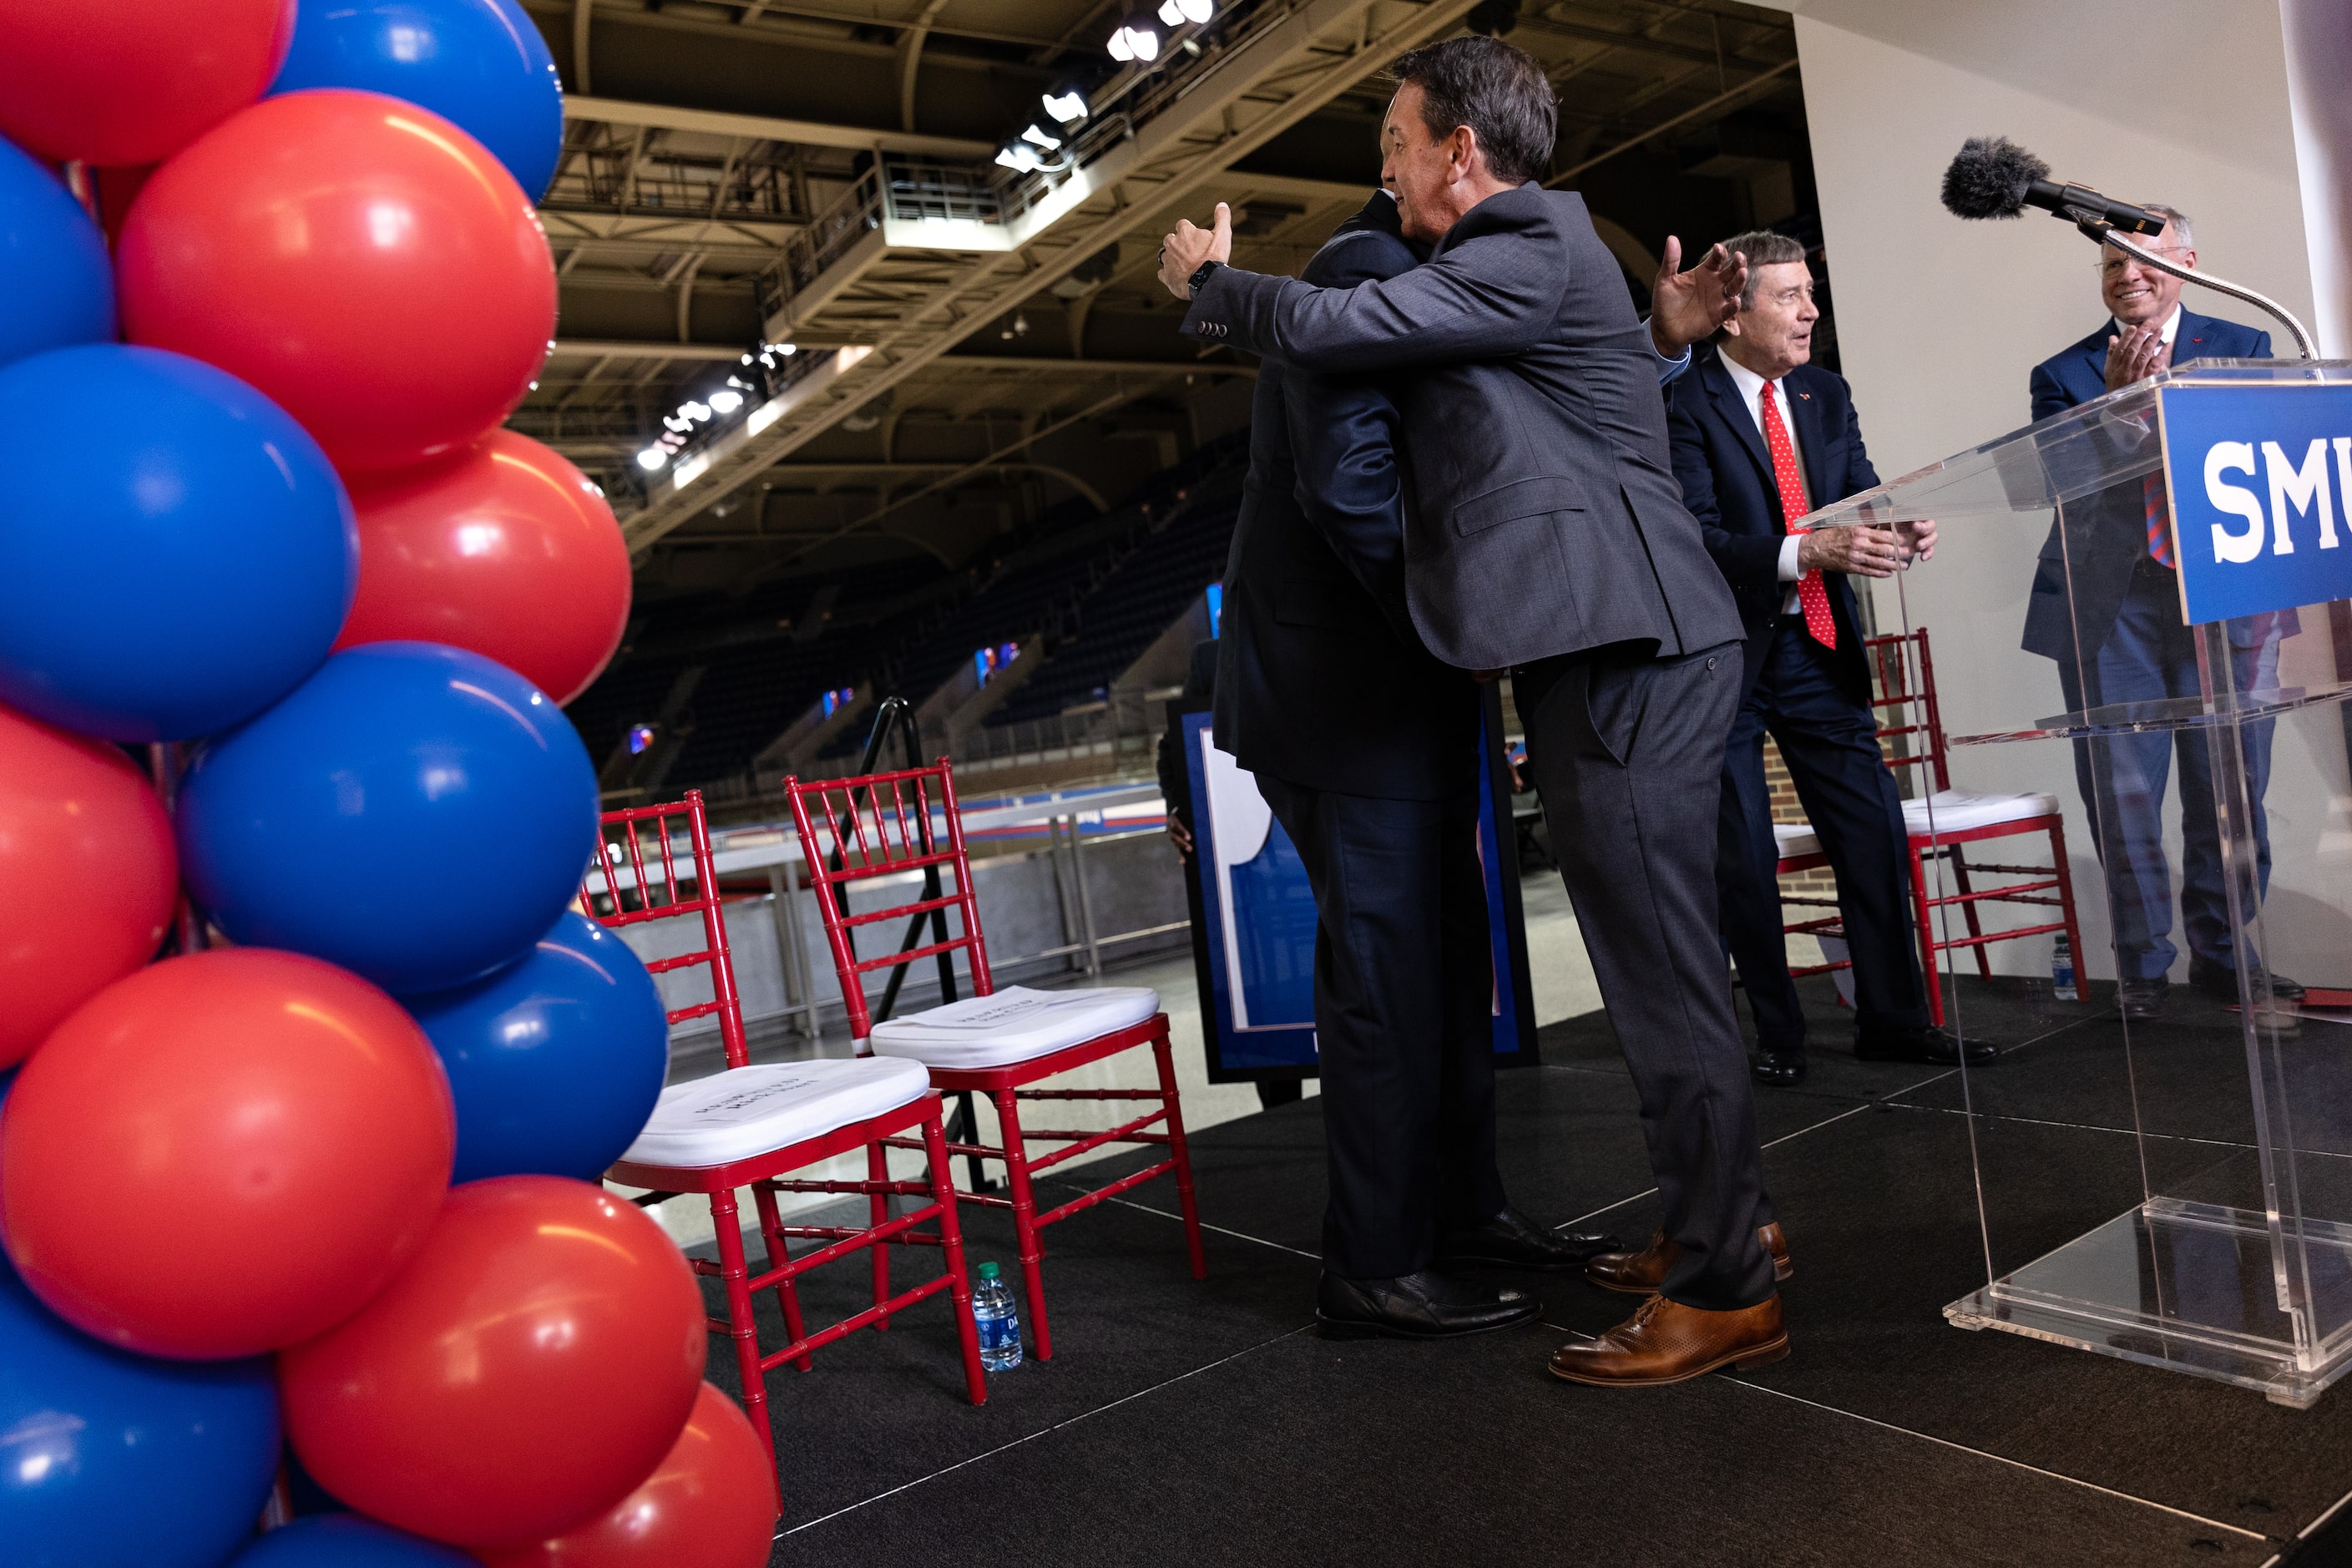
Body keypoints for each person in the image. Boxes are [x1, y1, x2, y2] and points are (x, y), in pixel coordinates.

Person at [1157, 35, 1788, 1385]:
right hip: (1450, 678)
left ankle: (1721, 1266)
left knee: (1657, 978)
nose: (1377, 174)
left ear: (1455, 151)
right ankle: (1681, 1230)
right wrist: (1658, 334)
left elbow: (1354, 354)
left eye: (1392, 145)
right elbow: (1495, 425)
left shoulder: (1469, 255)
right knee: (1491, 976)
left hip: (1617, 653)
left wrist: (1213, 287)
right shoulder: (1505, 268)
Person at [1665, 230, 1991, 1089]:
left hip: (1816, 646)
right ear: (1732, 312)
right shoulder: (1684, 403)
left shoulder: (1824, 394)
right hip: (1725, 656)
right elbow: (1693, 537)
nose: (1811, 312)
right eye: (1790, 297)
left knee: (1874, 832)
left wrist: (1899, 524)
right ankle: (1779, 1038)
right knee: (1743, 858)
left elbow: (1861, 492)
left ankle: (1895, 1019)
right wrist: (1806, 554)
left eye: (1811, 294)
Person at [2024, 205, 2302, 1019]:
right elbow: (2055, 478)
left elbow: (2264, 453)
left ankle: (2225, 953)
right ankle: (2142, 967)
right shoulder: (2064, 372)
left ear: (2189, 262)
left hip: (2225, 598)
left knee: (2233, 784)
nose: (2128, 278)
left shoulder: (2245, 347)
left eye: (2145, 261)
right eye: (2112, 267)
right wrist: (2114, 409)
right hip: (2115, 605)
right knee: (2124, 793)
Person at [1156, 638, 1302, 1113]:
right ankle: (1282, 1118)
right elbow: (1173, 748)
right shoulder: (1212, 659)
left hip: (1341, 842)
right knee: (1275, 1001)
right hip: (1261, 873)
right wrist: (1182, 809)